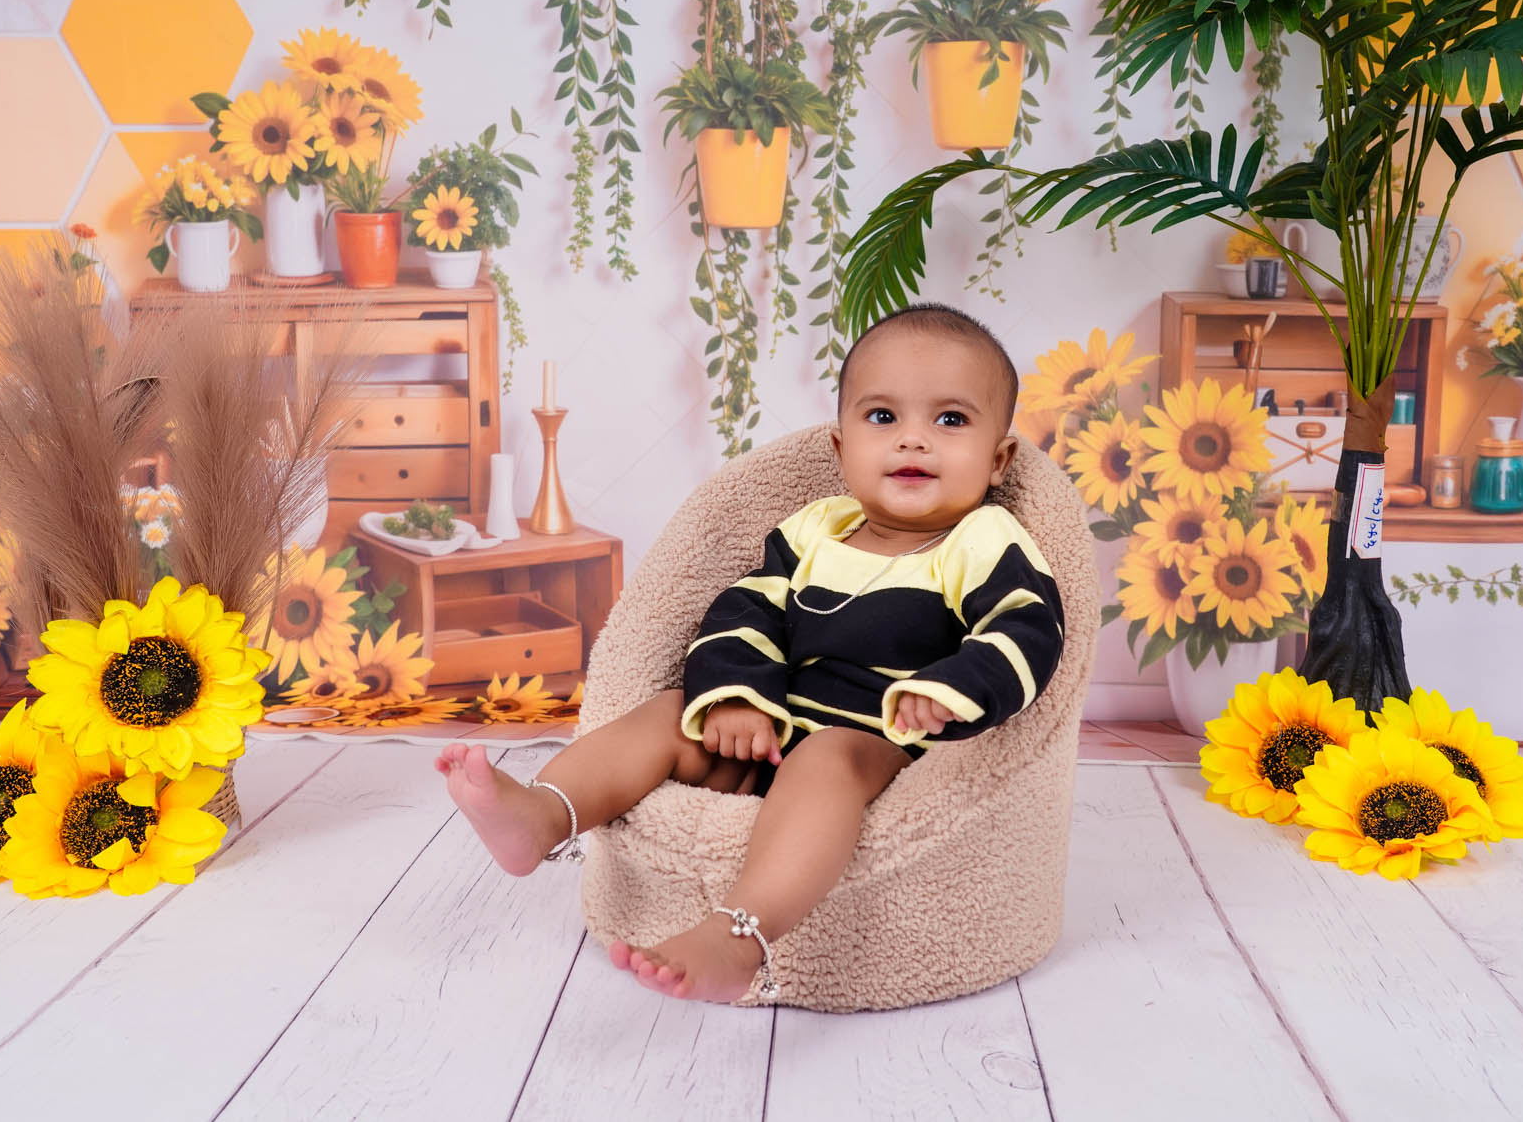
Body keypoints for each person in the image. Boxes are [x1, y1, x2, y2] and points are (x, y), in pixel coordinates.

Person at [436, 303, 1065, 1002]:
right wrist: (737, 694)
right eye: (883, 417)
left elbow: (1027, 627)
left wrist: (953, 688)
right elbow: (745, 609)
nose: (912, 440)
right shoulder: (814, 531)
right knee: (670, 713)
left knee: (829, 754)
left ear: (999, 457)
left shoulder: (982, 539)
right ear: (840, 446)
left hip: (881, 747)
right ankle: (544, 813)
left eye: (950, 420)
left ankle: (740, 935)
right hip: (774, 734)